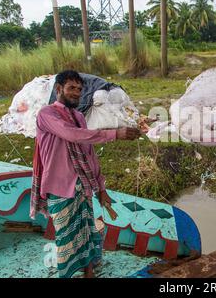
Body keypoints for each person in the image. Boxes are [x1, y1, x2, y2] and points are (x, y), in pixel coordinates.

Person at [30, 70, 141, 278]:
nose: (76, 93)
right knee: (66, 239)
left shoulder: (79, 116)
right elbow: (72, 135)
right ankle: (67, 274)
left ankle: (89, 272)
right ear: (58, 89)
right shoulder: (47, 114)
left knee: (88, 233)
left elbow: (89, 154)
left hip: (82, 185)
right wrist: (115, 133)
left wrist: (101, 188)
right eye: (71, 88)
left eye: (80, 90)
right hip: (60, 187)